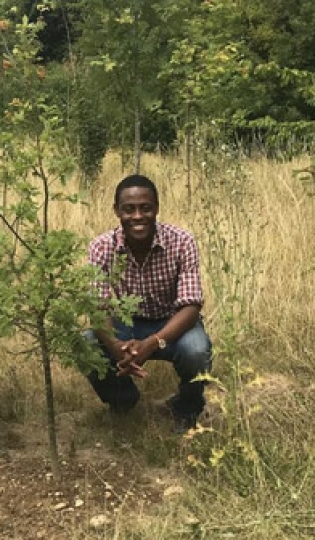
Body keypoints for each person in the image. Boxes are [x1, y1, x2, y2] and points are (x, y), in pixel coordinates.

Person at [86, 174, 212, 433]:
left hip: (172, 325)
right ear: (117, 211)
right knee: (85, 343)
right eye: (129, 209)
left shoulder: (181, 241)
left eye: (146, 208)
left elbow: (190, 307)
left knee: (197, 350)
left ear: (156, 208)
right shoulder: (101, 247)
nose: (138, 216)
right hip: (125, 325)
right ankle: (123, 401)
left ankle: (187, 409)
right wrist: (115, 346)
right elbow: (97, 308)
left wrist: (153, 343)